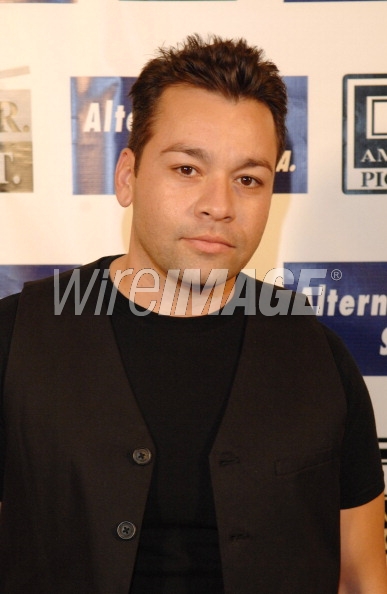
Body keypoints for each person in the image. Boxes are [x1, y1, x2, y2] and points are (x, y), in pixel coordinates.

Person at [0, 34, 386, 594]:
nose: (219, 204)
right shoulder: (16, 340)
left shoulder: (319, 358)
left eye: (247, 179)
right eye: (186, 169)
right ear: (127, 176)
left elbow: (361, 578)